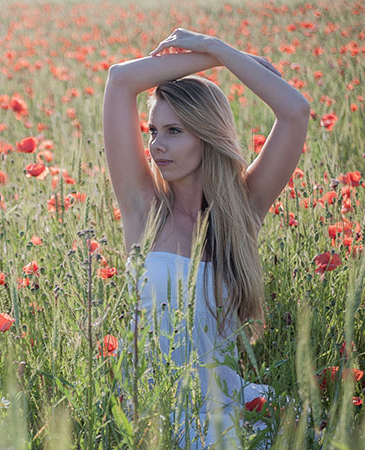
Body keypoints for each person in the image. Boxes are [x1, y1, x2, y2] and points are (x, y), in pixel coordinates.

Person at [102, 28, 309, 448]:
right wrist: (213, 60)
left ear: (208, 135)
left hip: (223, 408)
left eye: (174, 131)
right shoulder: (143, 208)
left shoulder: (243, 211)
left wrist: (220, 46)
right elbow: (120, 80)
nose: (157, 145)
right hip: (152, 411)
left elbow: (296, 111)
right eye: (153, 130)